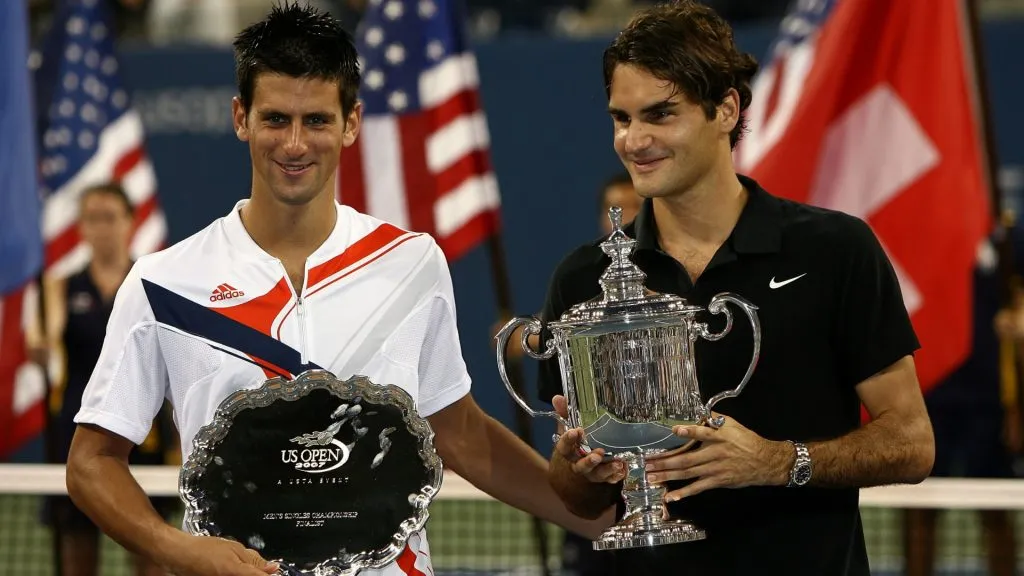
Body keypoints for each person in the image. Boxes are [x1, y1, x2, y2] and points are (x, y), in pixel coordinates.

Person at [64, 5, 608, 576]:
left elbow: (461, 434)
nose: (295, 145)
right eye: (275, 119)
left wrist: (605, 520)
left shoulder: (413, 263)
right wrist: (174, 547)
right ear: (239, 117)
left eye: (317, 120)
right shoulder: (162, 283)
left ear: (351, 123)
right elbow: (91, 462)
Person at [538, 2, 935, 574]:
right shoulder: (582, 279)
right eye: (622, 119)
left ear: (726, 109)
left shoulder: (836, 250)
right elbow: (578, 497)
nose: (635, 140)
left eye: (661, 114)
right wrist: (578, 470)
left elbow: (911, 442)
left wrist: (777, 462)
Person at [27, 183, 178, 576]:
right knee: (76, 557)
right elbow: (43, 338)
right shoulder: (59, 286)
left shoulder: (152, 285)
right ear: (81, 227)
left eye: (110, 217)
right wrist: (41, 344)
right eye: (92, 218)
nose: (102, 227)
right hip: (81, 434)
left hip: (142, 434)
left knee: (151, 553)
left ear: (130, 222)